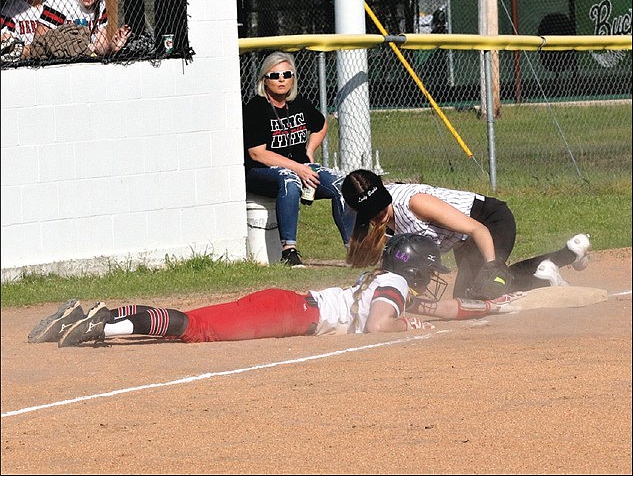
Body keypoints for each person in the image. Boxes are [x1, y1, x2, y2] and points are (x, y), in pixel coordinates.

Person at [27, 234, 522, 347]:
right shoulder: (392, 286)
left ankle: (97, 317)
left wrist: (487, 309)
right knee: (197, 328)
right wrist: (405, 325)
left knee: (197, 322)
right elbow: (378, 325)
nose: (429, 278)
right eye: (428, 270)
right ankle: (105, 326)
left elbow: (443, 306)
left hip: (289, 307)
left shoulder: (390, 283)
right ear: (413, 269)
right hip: (290, 313)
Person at [341, 169, 592, 300]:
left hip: (489, 221)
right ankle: (568, 254)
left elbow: (477, 229)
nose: (378, 216)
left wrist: (493, 266)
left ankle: (549, 274)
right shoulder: (376, 217)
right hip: (464, 241)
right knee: (469, 295)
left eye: (380, 207)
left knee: (484, 289)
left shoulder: (415, 203)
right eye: (370, 213)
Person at [242, 51, 354, 267]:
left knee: (343, 183)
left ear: (293, 77)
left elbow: (321, 125)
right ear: (264, 80)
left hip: (298, 166)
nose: (281, 79)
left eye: (287, 74)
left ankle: (353, 250)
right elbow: (257, 153)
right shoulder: (255, 108)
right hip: (261, 172)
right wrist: (299, 168)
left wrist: (309, 151)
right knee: (289, 180)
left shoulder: (298, 103)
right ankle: (289, 252)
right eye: (274, 75)